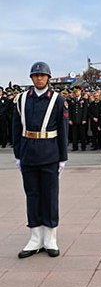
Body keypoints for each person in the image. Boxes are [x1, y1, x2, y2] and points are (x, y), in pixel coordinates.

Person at [12, 61, 69, 258]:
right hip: (28, 153)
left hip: (49, 154)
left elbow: (63, 130)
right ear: (31, 78)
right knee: (32, 195)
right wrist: (18, 155)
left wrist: (62, 158)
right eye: (36, 75)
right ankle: (35, 237)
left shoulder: (57, 100)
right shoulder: (21, 100)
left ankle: (50, 237)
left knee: (50, 196)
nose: (39, 78)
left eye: (42, 75)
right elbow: (16, 129)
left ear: (48, 78)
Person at [68, 86, 88, 151]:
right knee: (74, 135)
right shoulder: (72, 100)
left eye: (77, 91)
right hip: (74, 119)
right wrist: (70, 119)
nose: (76, 93)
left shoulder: (84, 100)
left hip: (81, 120)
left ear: (80, 92)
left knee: (82, 134)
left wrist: (84, 119)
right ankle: (75, 147)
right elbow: (70, 111)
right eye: (75, 92)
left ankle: (83, 147)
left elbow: (85, 111)